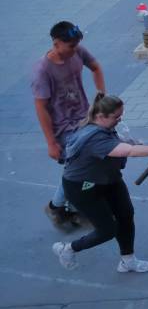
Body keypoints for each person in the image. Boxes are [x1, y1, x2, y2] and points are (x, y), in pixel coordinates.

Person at [51, 94, 148, 273]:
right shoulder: (94, 138)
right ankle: (67, 249)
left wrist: (132, 142)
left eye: (121, 115)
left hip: (108, 179)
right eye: (116, 116)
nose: (120, 119)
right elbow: (127, 151)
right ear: (101, 117)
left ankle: (128, 260)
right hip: (83, 188)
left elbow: (121, 144)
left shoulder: (103, 127)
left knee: (126, 214)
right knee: (107, 230)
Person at [34, 21, 106, 230]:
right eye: (70, 46)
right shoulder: (43, 71)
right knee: (80, 167)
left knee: (83, 166)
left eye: (76, 45)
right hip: (63, 128)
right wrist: (51, 143)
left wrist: (101, 93)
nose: (75, 50)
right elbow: (41, 108)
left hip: (84, 119)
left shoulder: (77, 51)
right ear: (56, 44)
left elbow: (96, 67)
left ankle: (63, 206)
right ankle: (60, 206)